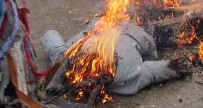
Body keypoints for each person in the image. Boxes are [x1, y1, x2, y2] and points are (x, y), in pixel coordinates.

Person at [42, 20, 186, 96]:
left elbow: (151, 69)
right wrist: (176, 66)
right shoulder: (123, 73)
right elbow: (152, 70)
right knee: (58, 54)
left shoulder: (68, 54)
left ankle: (50, 34)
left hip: (98, 27)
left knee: (57, 52)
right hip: (119, 30)